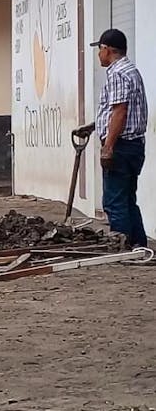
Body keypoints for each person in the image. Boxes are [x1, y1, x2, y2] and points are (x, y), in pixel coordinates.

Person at [76, 29, 149, 248]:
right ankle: (138, 245)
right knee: (127, 199)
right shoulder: (130, 70)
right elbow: (117, 111)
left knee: (114, 201)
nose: (99, 55)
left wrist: (108, 146)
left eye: (100, 50)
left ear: (107, 50)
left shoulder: (117, 73)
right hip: (133, 145)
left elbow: (120, 111)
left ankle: (122, 248)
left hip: (122, 146)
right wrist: (93, 126)